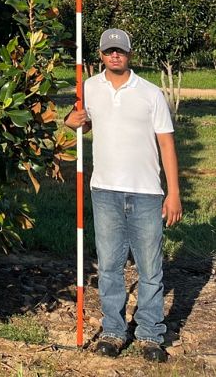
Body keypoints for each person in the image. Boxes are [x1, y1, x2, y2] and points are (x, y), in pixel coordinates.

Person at [65, 28, 182, 364]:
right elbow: (81, 122)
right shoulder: (88, 88)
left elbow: (166, 145)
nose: (114, 56)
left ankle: (149, 335)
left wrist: (173, 194)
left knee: (150, 269)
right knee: (111, 267)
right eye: (108, 51)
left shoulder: (150, 93)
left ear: (130, 54)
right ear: (100, 55)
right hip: (105, 191)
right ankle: (114, 331)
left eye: (120, 51)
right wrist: (70, 121)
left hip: (146, 192)